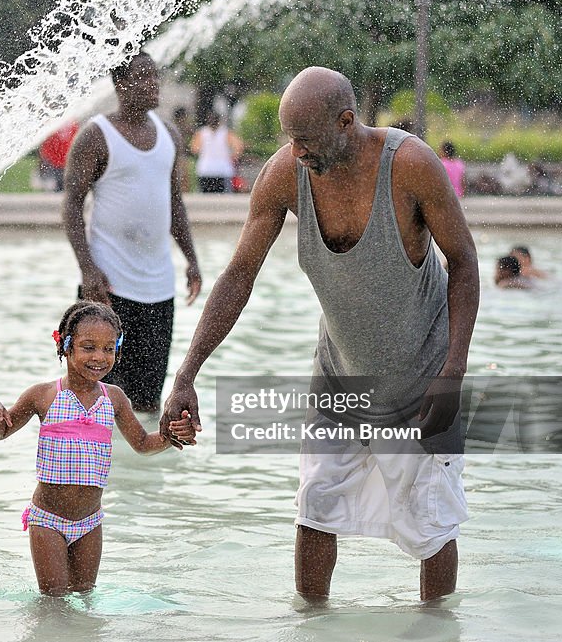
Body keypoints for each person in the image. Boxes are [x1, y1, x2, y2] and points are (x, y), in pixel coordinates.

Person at [161, 66, 480, 602]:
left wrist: (452, 373)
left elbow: (465, 263)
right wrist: (187, 372)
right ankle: (310, 625)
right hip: (339, 379)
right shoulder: (287, 173)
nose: (295, 150)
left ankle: (435, 627)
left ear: (346, 121)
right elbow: (239, 273)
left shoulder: (410, 168)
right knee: (315, 506)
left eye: (305, 139)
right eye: (289, 138)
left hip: (421, 376)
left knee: (431, 523)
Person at [0, 300, 196, 595]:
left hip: (90, 522)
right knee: (54, 601)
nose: (100, 357)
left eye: (109, 348)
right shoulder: (42, 395)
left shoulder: (115, 398)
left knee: (85, 597)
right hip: (48, 520)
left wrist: (172, 435)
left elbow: (143, 444)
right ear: (66, 346)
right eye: (89, 347)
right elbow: (0, 432)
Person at [63, 51, 203, 414]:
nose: (152, 83)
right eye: (142, 76)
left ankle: (138, 471)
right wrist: (87, 268)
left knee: (146, 403)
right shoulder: (96, 136)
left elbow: (174, 204)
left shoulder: (169, 134)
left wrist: (191, 260)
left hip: (157, 289)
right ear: (120, 84)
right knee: (97, 399)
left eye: (154, 75)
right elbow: (72, 205)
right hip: (109, 287)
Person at [190, 110, 244, 193]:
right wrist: (232, 157)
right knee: (224, 200)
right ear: (219, 121)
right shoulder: (226, 133)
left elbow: (194, 149)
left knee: (205, 199)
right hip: (223, 170)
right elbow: (239, 147)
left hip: (205, 169)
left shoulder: (201, 133)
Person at [38, 120, 79, 192]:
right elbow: (45, 146)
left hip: (65, 164)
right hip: (54, 164)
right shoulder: (52, 123)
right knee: (55, 193)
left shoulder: (73, 124)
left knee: (65, 192)